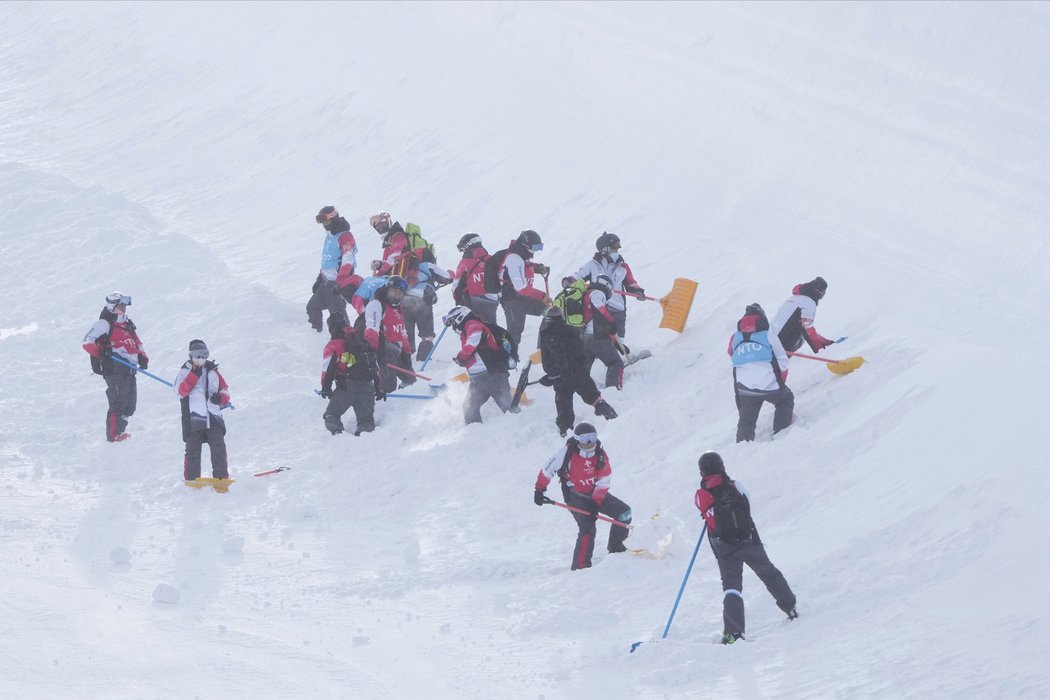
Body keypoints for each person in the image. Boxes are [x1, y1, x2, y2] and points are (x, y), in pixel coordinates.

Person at [694, 451, 797, 644]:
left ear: (702, 472)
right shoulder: (736, 486)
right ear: (722, 466)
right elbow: (747, 505)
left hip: (724, 548)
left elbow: (704, 512)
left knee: (732, 589)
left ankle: (734, 634)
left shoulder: (701, 494)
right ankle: (790, 606)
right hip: (749, 540)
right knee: (769, 573)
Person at [533, 422, 632, 570]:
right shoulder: (566, 452)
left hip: (595, 493)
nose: (589, 443)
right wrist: (539, 490)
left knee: (624, 513)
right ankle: (580, 568)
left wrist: (596, 501)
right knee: (587, 527)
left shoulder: (600, 454)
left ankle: (616, 551)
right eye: (585, 439)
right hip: (575, 495)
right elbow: (548, 469)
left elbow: (604, 480)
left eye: (592, 438)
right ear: (578, 439)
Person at [538, 306, 618, 436]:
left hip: (563, 377)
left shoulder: (552, 334)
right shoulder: (572, 330)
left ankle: (565, 432)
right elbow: (579, 351)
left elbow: (559, 355)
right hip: (579, 372)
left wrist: (558, 373)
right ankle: (614, 418)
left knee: (564, 406)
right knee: (594, 397)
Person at [82, 291, 149, 442]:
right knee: (118, 402)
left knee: (130, 405)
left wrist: (142, 357)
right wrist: (102, 352)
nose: (124, 308)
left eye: (125, 305)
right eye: (121, 306)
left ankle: (120, 431)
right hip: (114, 368)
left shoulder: (127, 324)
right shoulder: (104, 323)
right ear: (112, 307)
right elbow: (87, 342)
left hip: (130, 369)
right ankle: (113, 436)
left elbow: (137, 342)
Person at [729, 303, 793, 442]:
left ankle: (742, 447)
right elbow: (783, 359)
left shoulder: (735, 337)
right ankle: (781, 434)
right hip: (769, 384)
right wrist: (781, 381)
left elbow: (731, 353)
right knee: (785, 400)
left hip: (745, 388)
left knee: (746, 420)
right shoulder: (768, 335)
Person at [564, 232, 645, 338]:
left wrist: (638, 291)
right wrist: (569, 281)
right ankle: (597, 352)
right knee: (599, 334)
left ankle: (621, 353)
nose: (618, 248)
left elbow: (631, 283)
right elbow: (578, 276)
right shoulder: (593, 265)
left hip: (618, 306)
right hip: (598, 305)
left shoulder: (623, 267)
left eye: (618, 245)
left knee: (619, 334)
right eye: (615, 246)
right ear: (605, 248)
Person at [442, 306, 514, 425]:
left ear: (460, 317)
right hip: (478, 378)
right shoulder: (467, 329)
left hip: (492, 374)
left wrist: (461, 358)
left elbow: (471, 344)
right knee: (469, 406)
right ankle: (473, 433)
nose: (453, 327)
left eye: (453, 322)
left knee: (506, 405)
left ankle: (520, 430)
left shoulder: (473, 325)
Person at [175, 340, 232, 481]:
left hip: (213, 416)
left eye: (203, 355)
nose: (200, 359)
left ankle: (221, 478)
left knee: (218, 446)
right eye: (197, 355)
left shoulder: (213, 371)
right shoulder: (184, 371)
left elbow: (225, 390)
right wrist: (194, 374)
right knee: (193, 449)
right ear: (191, 356)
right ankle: (191, 479)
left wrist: (221, 398)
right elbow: (180, 392)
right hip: (194, 417)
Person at [320, 313, 379, 435]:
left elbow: (328, 368)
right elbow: (374, 365)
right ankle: (366, 443)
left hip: (347, 387)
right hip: (368, 387)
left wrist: (326, 388)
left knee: (332, 414)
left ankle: (338, 437)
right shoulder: (360, 340)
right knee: (366, 421)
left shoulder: (334, 345)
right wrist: (378, 388)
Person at [307, 206, 360, 332]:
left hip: (336, 283)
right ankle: (316, 336)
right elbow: (327, 260)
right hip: (326, 282)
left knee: (338, 316)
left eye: (325, 220)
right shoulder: (330, 236)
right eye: (322, 221)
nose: (324, 224)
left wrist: (340, 282)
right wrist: (320, 278)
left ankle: (349, 344)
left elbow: (348, 259)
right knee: (312, 307)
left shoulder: (345, 236)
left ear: (334, 217)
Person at [360, 275, 414, 394]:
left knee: (411, 380)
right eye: (393, 291)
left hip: (398, 351)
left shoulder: (397, 308)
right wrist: (375, 351)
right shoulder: (376, 305)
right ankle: (382, 402)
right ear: (387, 290)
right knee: (388, 387)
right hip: (384, 351)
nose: (396, 295)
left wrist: (407, 352)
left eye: (399, 293)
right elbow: (371, 329)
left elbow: (402, 332)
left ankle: (404, 399)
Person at [496, 229, 549, 346]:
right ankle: (508, 359)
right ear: (525, 245)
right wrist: (542, 295)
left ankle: (549, 342)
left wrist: (537, 268)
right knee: (515, 331)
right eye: (534, 248)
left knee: (547, 310)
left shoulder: (521, 256)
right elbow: (521, 287)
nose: (535, 251)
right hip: (511, 299)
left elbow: (524, 266)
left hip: (521, 298)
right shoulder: (514, 258)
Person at [402, 261, 453, 361]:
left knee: (406, 332)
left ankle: (406, 358)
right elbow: (447, 277)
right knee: (427, 334)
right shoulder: (427, 265)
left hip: (404, 301)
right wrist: (450, 273)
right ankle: (423, 359)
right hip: (422, 301)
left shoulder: (402, 264)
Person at [769, 276, 835, 353]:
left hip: (770, 336)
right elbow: (807, 329)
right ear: (819, 293)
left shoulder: (795, 297)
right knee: (803, 334)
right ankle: (784, 355)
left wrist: (824, 341)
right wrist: (820, 350)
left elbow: (805, 325)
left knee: (801, 327)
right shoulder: (809, 302)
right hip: (780, 343)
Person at [582, 274, 626, 390]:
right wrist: (611, 322)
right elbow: (599, 308)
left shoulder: (586, 294)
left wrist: (616, 343)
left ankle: (581, 392)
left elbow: (599, 321)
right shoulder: (598, 293)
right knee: (615, 363)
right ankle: (613, 390)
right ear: (606, 285)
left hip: (584, 338)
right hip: (596, 337)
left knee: (583, 370)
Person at [452, 233, 499, 324]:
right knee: (491, 326)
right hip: (492, 299)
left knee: (474, 327)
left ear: (467, 245)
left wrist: (458, 300)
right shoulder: (492, 259)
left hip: (472, 300)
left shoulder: (465, 263)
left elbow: (456, 285)